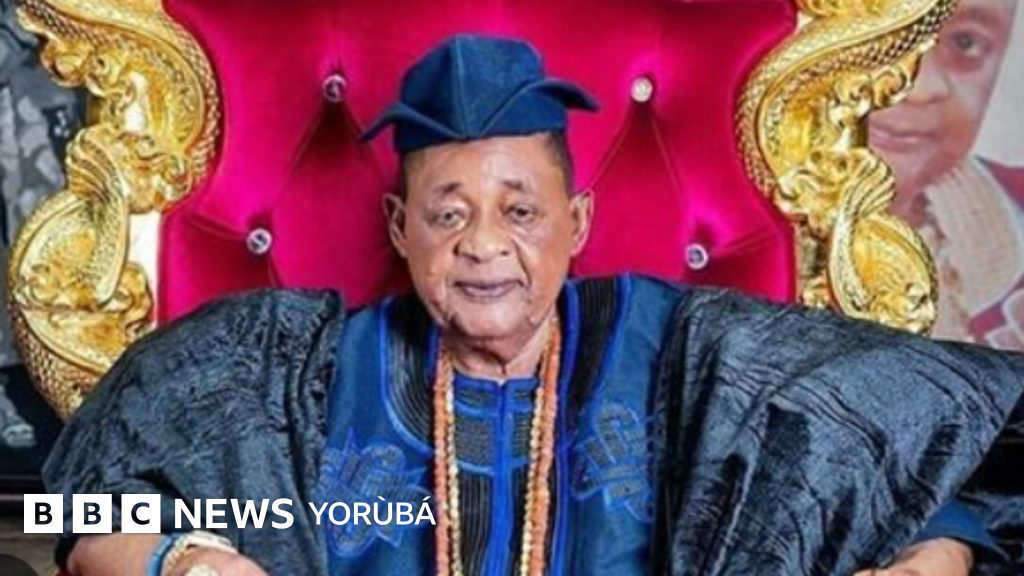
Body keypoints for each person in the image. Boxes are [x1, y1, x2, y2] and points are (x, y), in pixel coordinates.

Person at [46, 35, 1024, 576]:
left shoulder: (687, 353)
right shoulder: (289, 368)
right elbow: (82, 514)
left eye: (520, 211)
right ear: (398, 227)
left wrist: (925, 566)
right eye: (447, 213)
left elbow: (924, 464)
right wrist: (181, 563)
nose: (482, 245)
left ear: (577, 222)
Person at [869, 0, 1022, 345]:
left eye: (965, 42)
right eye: (880, 27)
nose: (920, 88)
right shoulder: (748, 240)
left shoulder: (1016, 203)